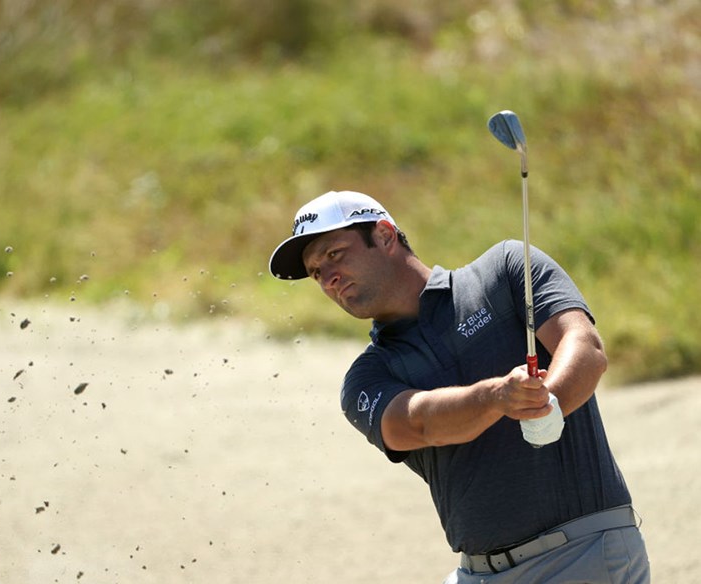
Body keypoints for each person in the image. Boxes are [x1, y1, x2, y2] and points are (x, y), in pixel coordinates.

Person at [268, 190, 650, 583]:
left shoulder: (503, 271)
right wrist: (496, 397)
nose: (328, 279)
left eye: (335, 255)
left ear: (384, 235)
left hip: (581, 554)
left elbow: (583, 345)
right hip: (477, 572)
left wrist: (550, 401)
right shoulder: (366, 378)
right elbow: (416, 424)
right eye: (315, 272)